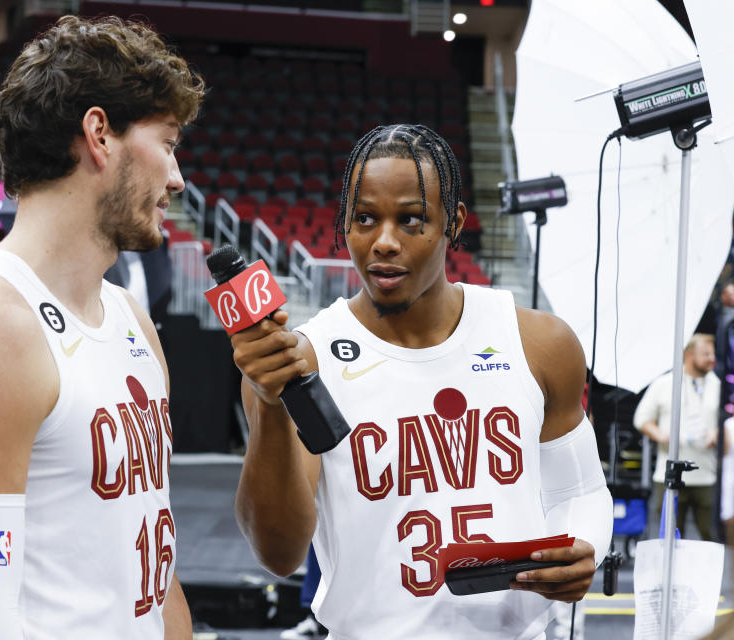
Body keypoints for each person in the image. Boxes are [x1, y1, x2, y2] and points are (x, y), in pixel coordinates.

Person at [229, 124, 613, 639]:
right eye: (365, 218)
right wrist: (269, 408)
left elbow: (582, 489)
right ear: (345, 222)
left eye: (411, 220)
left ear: (452, 223)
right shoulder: (303, 361)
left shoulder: (539, 341)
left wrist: (585, 545)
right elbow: (278, 555)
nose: (384, 242)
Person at [0, 15, 204, 639]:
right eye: (169, 143)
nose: (177, 179)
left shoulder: (132, 319)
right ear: (99, 134)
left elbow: (156, 570)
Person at [634, 334, 725, 541]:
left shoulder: (719, 386)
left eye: (713, 353)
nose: (712, 358)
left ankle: (708, 574)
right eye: (706, 354)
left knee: (711, 537)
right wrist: (660, 435)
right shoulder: (665, 384)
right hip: (669, 474)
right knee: (669, 539)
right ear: (690, 354)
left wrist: (717, 434)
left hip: (707, 476)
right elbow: (641, 418)